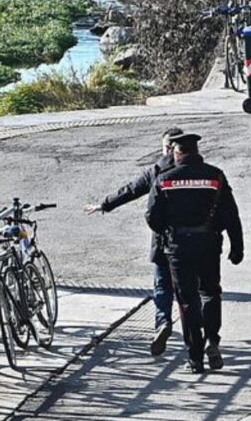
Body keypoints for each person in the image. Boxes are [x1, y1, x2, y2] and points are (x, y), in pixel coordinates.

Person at [145, 130, 243, 374]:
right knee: (210, 293)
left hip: (177, 246)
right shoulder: (215, 176)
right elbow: (231, 213)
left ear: (176, 153)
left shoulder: (165, 179)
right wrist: (236, 245)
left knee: (187, 301)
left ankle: (195, 358)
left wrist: (168, 232)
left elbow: (152, 217)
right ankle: (213, 341)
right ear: (197, 152)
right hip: (209, 242)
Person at [86, 128, 180, 355]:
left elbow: (131, 190)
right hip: (194, 240)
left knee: (162, 286)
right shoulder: (199, 171)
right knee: (190, 290)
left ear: (168, 148)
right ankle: (201, 336)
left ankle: (163, 321)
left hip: (163, 239)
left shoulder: (157, 172)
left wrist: (104, 205)